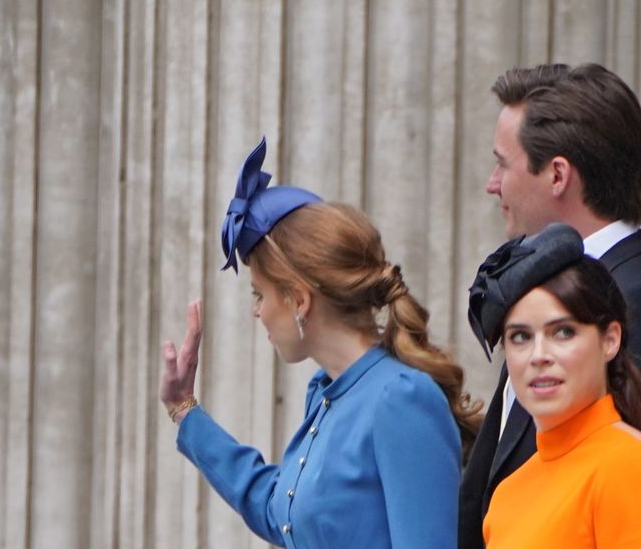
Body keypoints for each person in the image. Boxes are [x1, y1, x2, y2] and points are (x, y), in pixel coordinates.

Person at [159, 137, 480, 548]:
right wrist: (184, 409)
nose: (256, 311)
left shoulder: (401, 398)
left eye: (259, 294)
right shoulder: (325, 393)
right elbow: (279, 511)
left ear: (299, 300)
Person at [459, 64, 641, 548]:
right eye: (520, 337)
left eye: (503, 164)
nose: (492, 184)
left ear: (557, 175)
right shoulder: (535, 290)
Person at [468, 223, 641, 547]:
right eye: (520, 337)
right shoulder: (508, 492)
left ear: (610, 340)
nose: (539, 355)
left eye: (563, 332)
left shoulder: (634, 469)